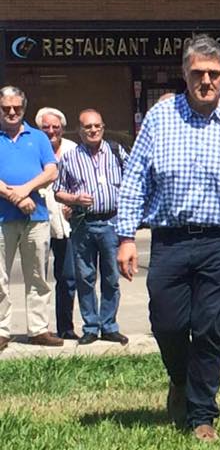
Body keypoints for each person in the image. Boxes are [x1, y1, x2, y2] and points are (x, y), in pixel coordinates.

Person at [116, 35, 220, 442]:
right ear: (184, 75)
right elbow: (135, 178)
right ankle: (181, 379)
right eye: (197, 74)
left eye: (213, 74)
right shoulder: (160, 116)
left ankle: (202, 414)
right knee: (167, 323)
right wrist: (126, 236)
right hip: (169, 240)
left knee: (209, 326)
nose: (205, 80)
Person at [54, 109, 129, 345]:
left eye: (97, 126)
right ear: (80, 130)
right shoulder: (69, 157)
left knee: (111, 277)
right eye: (88, 127)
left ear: (103, 128)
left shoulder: (117, 152)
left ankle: (109, 326)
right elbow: (58, 192)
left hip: (111, 222)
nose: (93, 130)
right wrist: (75, 199)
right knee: (85, 278)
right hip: (83, 223)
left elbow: (133, 184)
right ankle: (91, 327)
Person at [0, 86, 62, 350]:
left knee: (37, 276)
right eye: (6, 108)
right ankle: (2, 331)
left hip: (35, 218)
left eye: (17, 108)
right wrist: (14, 197)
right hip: (2, 218)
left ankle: (38, 329)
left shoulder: (38, 138)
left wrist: (25, 190)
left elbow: (51, 171)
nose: (12, 112)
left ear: (24, 109)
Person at [36, 107, 79, 339]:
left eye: (55, 127)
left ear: (63, 127)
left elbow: (84, 180)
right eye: (46, 127)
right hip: (39, 220)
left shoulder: (73, 149)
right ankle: (40, 329)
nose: (51, 131)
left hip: (66, 223)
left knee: (67, 277)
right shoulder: (34, 148)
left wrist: (75, 203)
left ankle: (66, 327)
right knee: (38, 279)